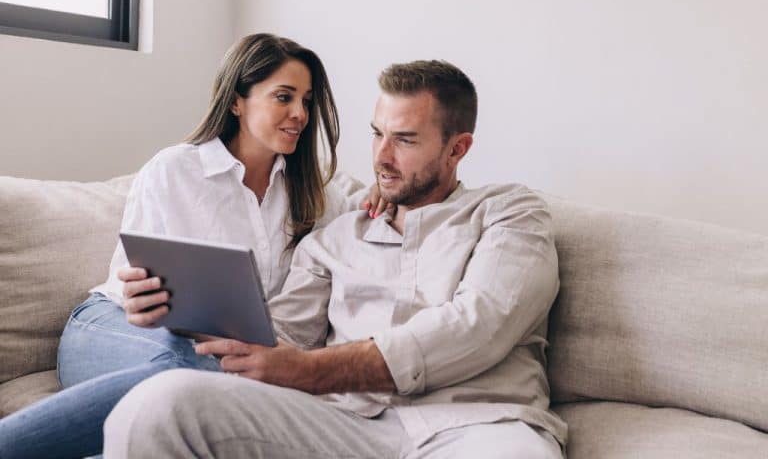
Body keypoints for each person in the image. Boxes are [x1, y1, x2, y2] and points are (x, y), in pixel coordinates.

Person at [104, 60, 568, 458]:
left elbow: (479, 325)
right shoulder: (334, 237)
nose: (381, 157)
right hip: (345, 426)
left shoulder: (510, 213)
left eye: (404, 141)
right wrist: (173, 311)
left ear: (457, 149)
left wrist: (312, 369)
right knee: (155, 405)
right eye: (376, 134)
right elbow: (278, 340)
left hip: (477, 428)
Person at [0, 33, 385, 459]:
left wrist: (383, 194)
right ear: (237, 101)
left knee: (215, 379)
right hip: (112, 326)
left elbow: (370, 215)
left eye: (307, 101)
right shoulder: (176, 170)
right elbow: (136, 291)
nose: (299, 114)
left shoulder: (317, 194)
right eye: (283, 97)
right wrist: (140, 297)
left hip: (212, 350)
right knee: (190, 373)